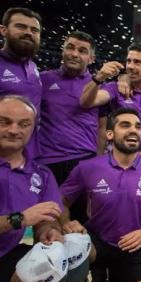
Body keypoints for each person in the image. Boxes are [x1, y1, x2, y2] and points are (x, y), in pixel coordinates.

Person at [60, 108, 141, 282]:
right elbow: (60, 202)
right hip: (98, 242)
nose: (134, 130)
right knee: (69, 245)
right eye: (125, 125)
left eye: (138, 127)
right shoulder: (88, 167)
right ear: (110, 134)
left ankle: (120, 278)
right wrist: (67, 223)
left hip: (133, 244)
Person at [0, 95, 91, 282]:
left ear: (33, 127)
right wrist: (19, 219)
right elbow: (24, 219)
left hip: (5, 252)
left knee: (66, 257)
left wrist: (49, 232)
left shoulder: (41, 173)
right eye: (4, 122)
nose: (13, 130)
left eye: (23, 124)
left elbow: (47, 219)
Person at [38, 31, 98, 225]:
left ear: (91, 58)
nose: (74, 54)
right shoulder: (42, 80)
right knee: (48, 223)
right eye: (70, 47)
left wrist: (97, 162)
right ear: (62, 50)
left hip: (84, 162)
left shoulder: (99, 86)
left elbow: (103, 127)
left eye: (82, 50)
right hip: (48, 162)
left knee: (83, 222)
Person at [79, 42, 141, 162]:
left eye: (137, 62)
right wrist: (100, 77)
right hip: (119, 156)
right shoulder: (115, 88)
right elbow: (86, 102)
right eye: (129, 61)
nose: (130, 66)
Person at [0, 7, 43, 157]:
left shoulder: (33, 67)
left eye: (34, 30)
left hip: (29, 157)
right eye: (20, 26)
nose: (28, 33)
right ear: (3, 30)